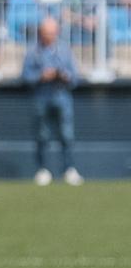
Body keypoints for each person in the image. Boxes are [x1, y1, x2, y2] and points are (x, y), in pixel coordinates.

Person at [21, 16, 81, 185]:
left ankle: (69, 169)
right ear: (41, 33)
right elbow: (25, 77)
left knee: (67, 135)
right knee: (42, 135)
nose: (49, 36)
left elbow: (75, 78)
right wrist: (41, 76)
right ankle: (42, 169)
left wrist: (63, 75)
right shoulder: (33, 52)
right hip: (41, 97)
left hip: (62, 97)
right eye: (46, 33)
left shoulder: (64, 51)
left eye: (52, 33)